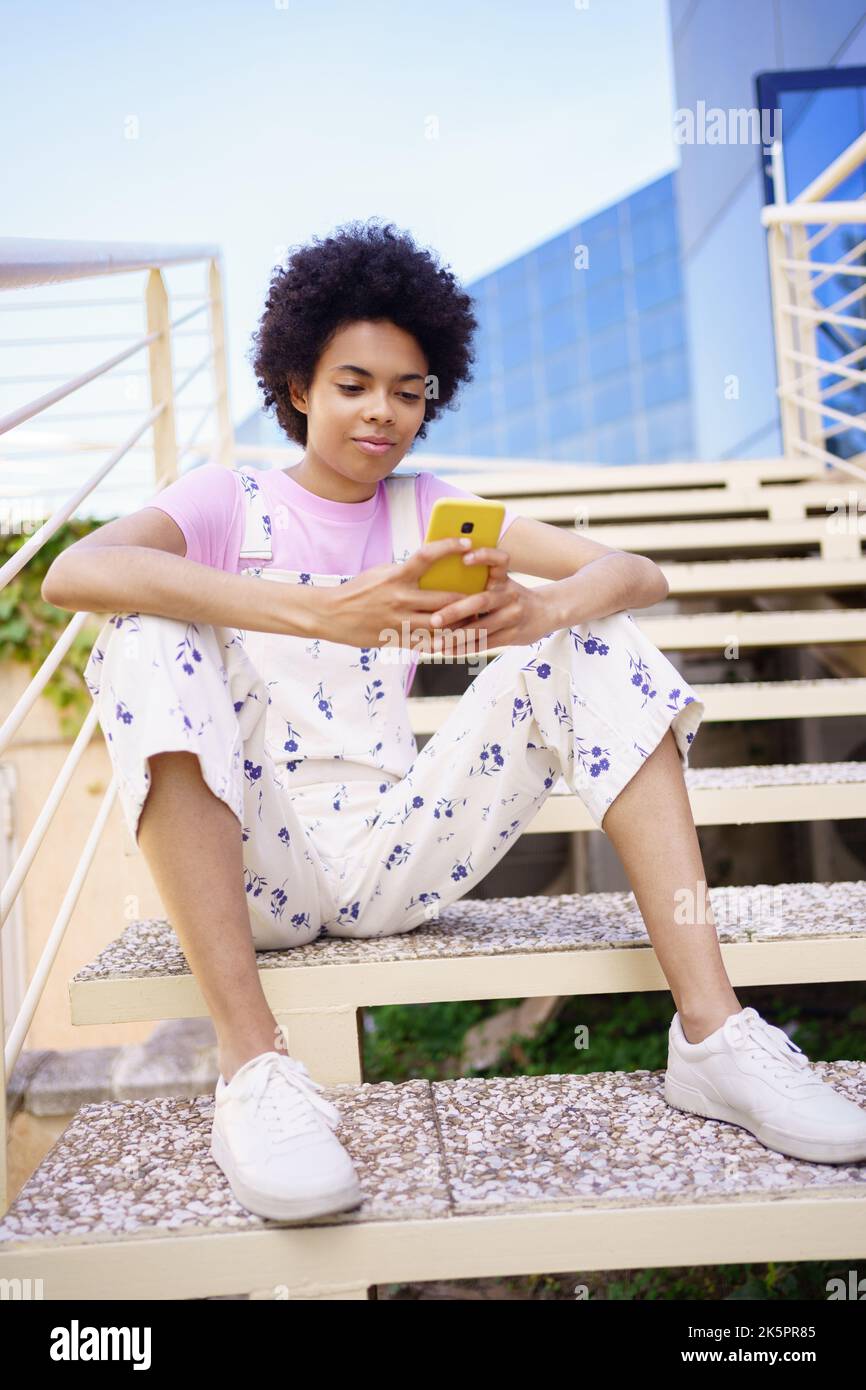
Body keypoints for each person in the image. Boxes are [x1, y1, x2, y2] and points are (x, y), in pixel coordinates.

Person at [43, 219, 866, 1224]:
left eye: (407, 389)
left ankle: (711, 1033)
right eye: (352, 383)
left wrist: (542, 609)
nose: (382, 411)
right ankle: (253, 1066)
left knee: (592, 630)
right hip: (263, 855)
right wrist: (319, 610)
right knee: (141, 628)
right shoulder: (229, 501)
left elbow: (635, 571)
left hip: (397, 850)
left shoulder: (427, 511)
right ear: (296, 386)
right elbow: (75, 572)